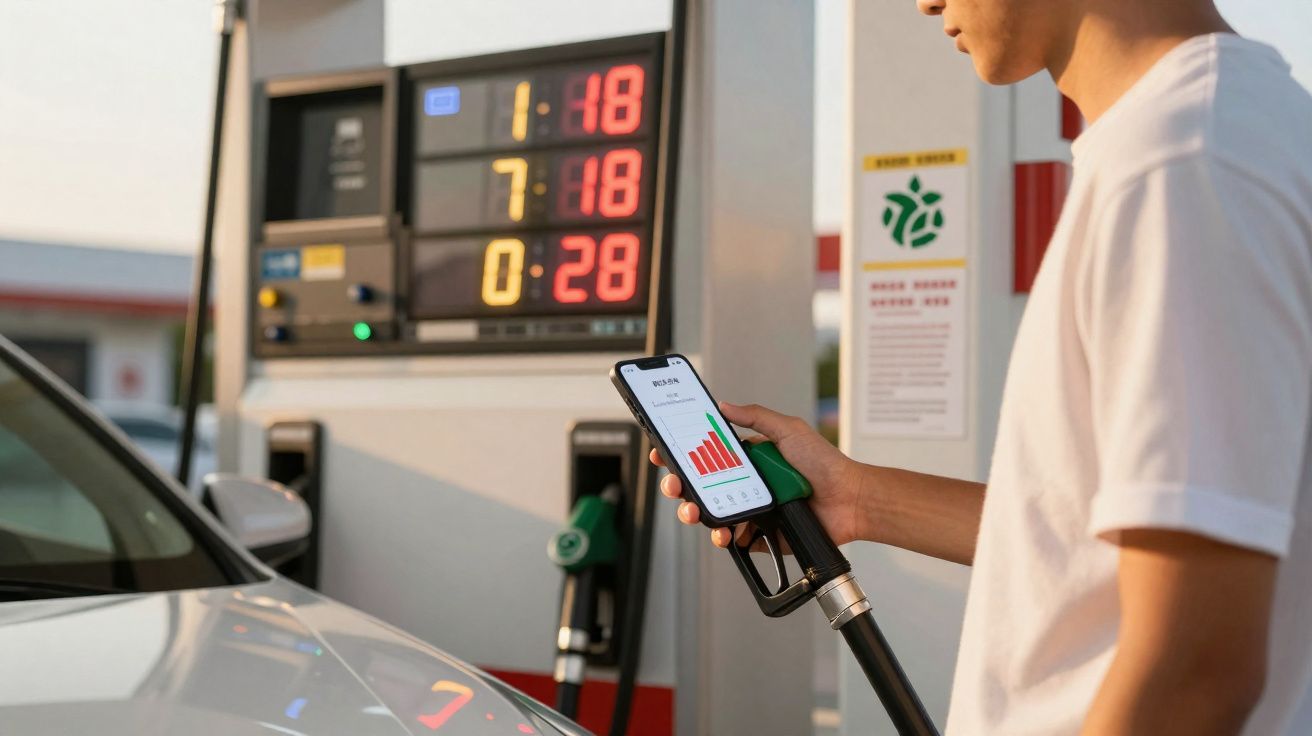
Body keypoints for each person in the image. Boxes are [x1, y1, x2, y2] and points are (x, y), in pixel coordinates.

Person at [653, 0, 1312, 733]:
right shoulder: (1231, 132)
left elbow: (1194, 667)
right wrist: (857, 497)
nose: (924, 2)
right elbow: (1093, 543)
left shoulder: (1179, 166)